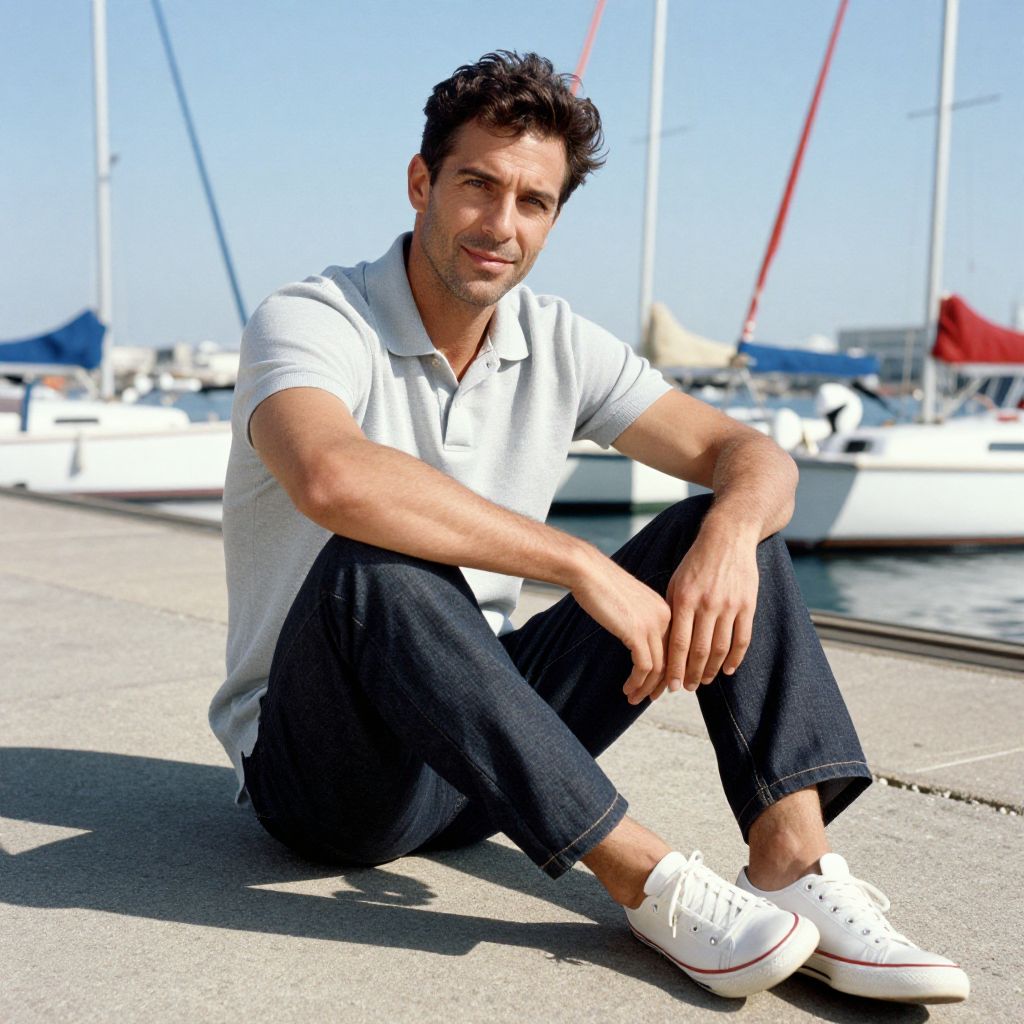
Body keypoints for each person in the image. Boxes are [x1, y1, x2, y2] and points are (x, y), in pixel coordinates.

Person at [210, 51, 968, 1004]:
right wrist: (578, 563)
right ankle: (648, 882)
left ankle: (792, 868)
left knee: (724, 521)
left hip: (477, 755)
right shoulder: (314, 318)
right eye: (477, 185)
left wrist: (730, 539)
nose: (501, 224)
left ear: (555, 217)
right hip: (326, 775)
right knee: (377, 563)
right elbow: (330, 475)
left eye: (533, 201)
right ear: (421, 183)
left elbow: (751, 454)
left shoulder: (557, 339)